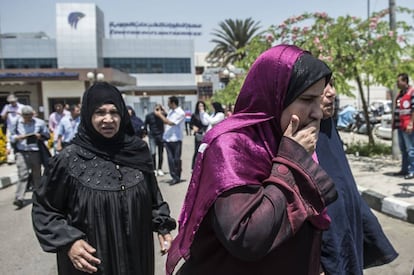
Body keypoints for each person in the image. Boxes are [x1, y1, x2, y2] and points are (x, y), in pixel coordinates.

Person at [166, 44, 337, 275]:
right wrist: (291, 160)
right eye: (307, 99)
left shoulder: (289, 139)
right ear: (276, 96)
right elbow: (247, 236)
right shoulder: (231, 145)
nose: (317, 112)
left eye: (318, 100)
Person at [32, 82, 176, 275]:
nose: (108, 119)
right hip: (92, 266)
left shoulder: (137, 152)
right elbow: (45, 209)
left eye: (114, 112)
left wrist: (163, 227)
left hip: (137, 261)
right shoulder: (68, 160)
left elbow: (153, 198)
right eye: (100, 112)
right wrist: (69, 242)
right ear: (88, 115)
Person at [317, 79, 398, 274]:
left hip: (346, 234)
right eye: (321, 87)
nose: (332, 93)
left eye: (333, 84)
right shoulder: (293, 138)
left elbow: (346, 186)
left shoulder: (327, 128)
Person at [10, 105, 50, 209]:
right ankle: (19, 198)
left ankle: (38, 196)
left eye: (29, 116)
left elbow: (47, 135)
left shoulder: (39, 123)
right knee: (23, 174)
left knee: (37, 175)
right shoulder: (16, 123)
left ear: (32, 114)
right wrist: (18, 137)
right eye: (25, 116)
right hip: (22, 151)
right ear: (22, 115)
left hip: (35, 151)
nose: (28, 118)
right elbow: (11, 136)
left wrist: (39, 136)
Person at [155, 96, 185, 185]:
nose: (167, 104)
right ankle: (174, 177)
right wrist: (162, 111)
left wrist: (159, 115)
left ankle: (178, 175)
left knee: (176, 159)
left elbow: (170, 123)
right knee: (170, 159)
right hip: (168, 138)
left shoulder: (180, 113)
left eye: (168, 102)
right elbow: (168, 116)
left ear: (173, 103)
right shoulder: (171, 111)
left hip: (176, 139)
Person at [393, 73, 414, 178]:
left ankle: (412, 170)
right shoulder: (400, 94)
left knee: (410, 149)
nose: (397, 83)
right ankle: (404, 169)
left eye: (398, 81)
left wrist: (411, 123)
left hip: (408, 125)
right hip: (400, 125)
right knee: (403, 149)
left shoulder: (412, 92)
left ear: (405, 81)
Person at [1, 94, 25, 164]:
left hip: (20, 127)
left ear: (16, 100)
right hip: (10, 127)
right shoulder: (7, 107)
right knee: (9, 142)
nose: (12, 103)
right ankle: (11, 159)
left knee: (21, 141)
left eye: (13, 101)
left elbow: (27, 116)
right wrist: (7, 112)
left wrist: (18, 113)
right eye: (10, 102)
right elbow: (3, 118)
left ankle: (21, 156)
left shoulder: (22, 106)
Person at [145, 104, 166, 176]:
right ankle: (154, 169)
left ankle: (160, 168)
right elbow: (145, 124)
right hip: (152, 136)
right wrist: (145, 133)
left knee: (161, 153)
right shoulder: (149, 116)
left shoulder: (163, 115)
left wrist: (163, 111)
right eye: (156, 109)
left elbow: (168, 118)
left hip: (161, 136)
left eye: (159, 109)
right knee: (153, 153)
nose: (158, 111)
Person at [189, 101, 208, 169]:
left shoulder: (205, 114)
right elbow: (191, 124)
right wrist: (193, 127)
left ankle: (203, 165)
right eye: (199, 106)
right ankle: (194, 166)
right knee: (197, 150)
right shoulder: (195, 115)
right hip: (198, 134)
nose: (201, 107)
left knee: (205, 150)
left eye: (202, 106)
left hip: (205, 134)